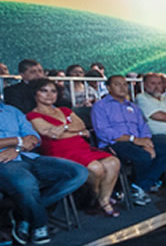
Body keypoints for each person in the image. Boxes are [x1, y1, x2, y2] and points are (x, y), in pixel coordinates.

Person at [26, 78, 121, 217]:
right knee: (96, 168)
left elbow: (81, 125)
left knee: (113, 162)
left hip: (82, 148)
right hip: (58, 152)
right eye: (44, 91)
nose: (49, 94)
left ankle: (103, 200)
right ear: (35, 94)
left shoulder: (64, 110)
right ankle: (94, 198)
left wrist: (64, 128)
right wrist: (76, 132)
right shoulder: (32, 115)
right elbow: (53, 136)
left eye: (53, 91)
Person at [1, 101, 88, 245]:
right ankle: (39, 224)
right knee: (26, 184)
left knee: (78, 172)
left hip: (27, 155)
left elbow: (34, 138)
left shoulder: (12, 111)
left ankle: (22, 212)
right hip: (4, 162)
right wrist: (18, 140)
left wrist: (17, 148)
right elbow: (25, 139)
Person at [92, 75, 166, 205]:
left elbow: (143, 127)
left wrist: (148, 143)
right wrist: (133, 139)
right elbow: (103, 132)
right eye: (117, 84)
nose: (122, 87)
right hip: (115, 143)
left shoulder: (133, 107)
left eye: (124, 84)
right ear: (108, 88)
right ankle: (141, 187)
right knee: (142, 156)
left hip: (138, 141)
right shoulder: (101, 106)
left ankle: (139, 187)